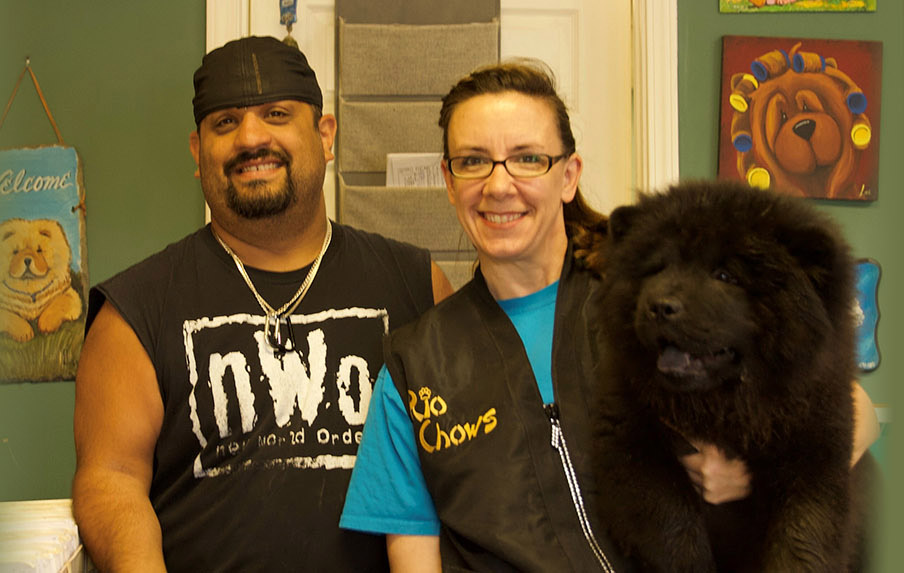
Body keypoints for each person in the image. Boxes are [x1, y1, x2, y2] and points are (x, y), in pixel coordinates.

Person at [338, 60, 879, 571]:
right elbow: (413, 551)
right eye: (473, 161)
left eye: (528, 158)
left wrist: (745, 475)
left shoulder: (649, 307)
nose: (499, 185)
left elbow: (848, 411)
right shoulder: (415, 366)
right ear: (450, 181)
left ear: (568, 175)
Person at [71, 36, 453, 572]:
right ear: (196, 151)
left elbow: (464, 463)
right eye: (224, 123)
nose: (251, 137)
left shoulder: (416, 285)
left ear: (325, 135)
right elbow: (111, 479)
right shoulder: (135, 312)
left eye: (276, 114)